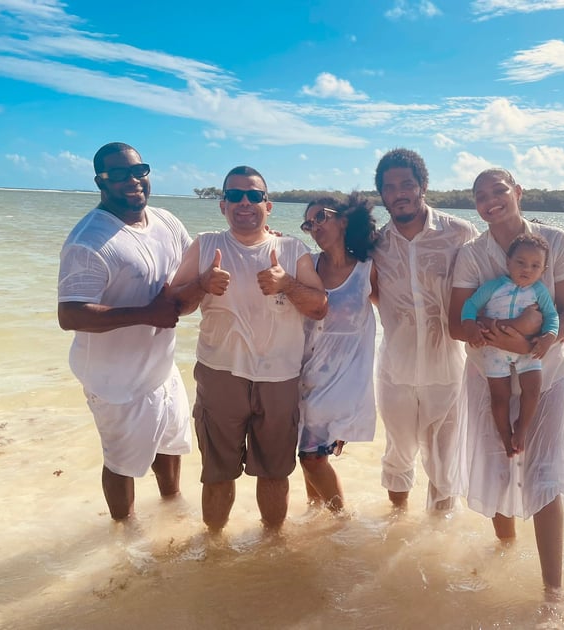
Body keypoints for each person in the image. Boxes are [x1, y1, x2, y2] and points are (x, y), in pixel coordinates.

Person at [449, 167, 564, 595]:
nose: (490, 201)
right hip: (487, 375)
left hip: (545, 374)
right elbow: (456, 323)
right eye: (480, 195)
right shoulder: (472, 254)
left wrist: (533, 342)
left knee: (545, 474)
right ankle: (505, 555)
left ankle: (553, 593)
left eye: (498, 191)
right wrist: (501, 334)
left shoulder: (555, 241)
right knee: (498, 467)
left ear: (518, 192)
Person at [170, 165, 328, 534]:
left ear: (268, 206)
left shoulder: (292, 249)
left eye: (254, 195)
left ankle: (272, 546)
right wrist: (202, 284)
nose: (245, 202)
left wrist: (287, 285)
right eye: (235, 195)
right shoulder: (205, 245)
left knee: (274, 472)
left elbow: (320, 307)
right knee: (217, 474)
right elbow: (174, 304)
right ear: (222, 205)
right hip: (220, 374)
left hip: (280, 377)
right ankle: (214, 547)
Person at [57, 142, 192, 521]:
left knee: (170, 443)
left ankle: (171, 508)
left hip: (161, 367)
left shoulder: (166, 221)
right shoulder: (88, 241)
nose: (133, 180)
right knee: (121, 463)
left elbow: (192, 268)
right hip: (114, 380)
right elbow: (70, 314)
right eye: (118, 174)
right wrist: (147, 314)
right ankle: (124, 533)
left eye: (138, 170)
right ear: (100, 181)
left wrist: (260, 238)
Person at [371, 148, 478, 511]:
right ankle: (397, 528)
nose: (399, 193)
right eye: (389, 187)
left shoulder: (459, 233)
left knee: (444, 465)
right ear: (382, 194)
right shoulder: (376, 243)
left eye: (406, 184)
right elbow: (364, 288)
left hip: (448, 370)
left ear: (423, 186)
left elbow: (488, 283)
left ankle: (438, 528)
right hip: (395, 371)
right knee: (397, 456)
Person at [297, 192, 379, 512]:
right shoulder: (306, 264)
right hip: (304, 373)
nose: (315, 226)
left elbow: (394, 311)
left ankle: (341, 519)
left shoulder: (367, 269)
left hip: (343, 380)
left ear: (343, 221)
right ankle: (315, 517)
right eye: (308, 223)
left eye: (321, 217)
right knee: (309, 454)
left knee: (312, 456)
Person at [460, 233, 559, 457]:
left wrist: (548, 337)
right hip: (494, 350)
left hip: (527, 351)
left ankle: (521, 429)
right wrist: (470, 326)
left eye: (535, 266)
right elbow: (470, 305)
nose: (527, 269)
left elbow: (552, 316)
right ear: (508, 262)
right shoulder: (494, 287)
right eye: (520, 262)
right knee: (499, 396)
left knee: (532, 390)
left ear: (543, 270)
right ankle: (505, 435)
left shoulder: (539, 291)